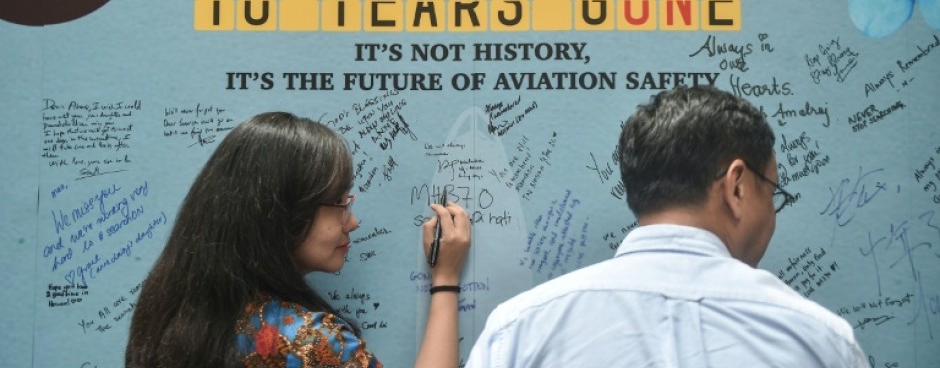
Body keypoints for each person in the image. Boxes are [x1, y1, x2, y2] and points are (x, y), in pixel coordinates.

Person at [466, 85, 868, 367]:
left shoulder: (520, 330)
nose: (772, 213)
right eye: (772, 193)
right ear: (737, 186)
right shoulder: (817, 340)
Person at [126, 111, 471, 368]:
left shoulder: (167, 315)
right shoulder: (306, 340)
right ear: (280, 212)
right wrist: (445, 279)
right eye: (338, 202)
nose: (352, 222)